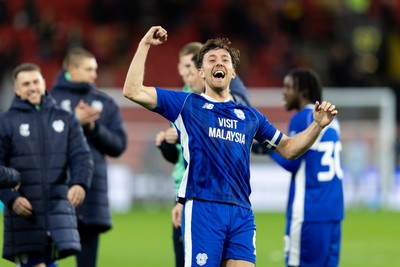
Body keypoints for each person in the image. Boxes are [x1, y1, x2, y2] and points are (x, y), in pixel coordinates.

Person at [123, 26, 338, 267]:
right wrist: (145, 44)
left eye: (225, 60)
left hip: (241, 212)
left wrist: (317, 126)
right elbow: (132, 90)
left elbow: (288, 148)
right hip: (203, 208)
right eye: (211, 59)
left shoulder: (250, 116)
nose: (219, 63)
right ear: (201, 72)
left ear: (233, 72)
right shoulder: (186, 104)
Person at [155, 42, 251, 267]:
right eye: (185, 68)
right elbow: (180, 156)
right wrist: (167, 145)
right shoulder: (184, 101)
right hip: (189, 192)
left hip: (212, 197)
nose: (189, 73)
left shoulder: (223, 101)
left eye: (192, 67)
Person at [0, 63, 93, 267]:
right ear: (17, 89)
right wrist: (11, 198)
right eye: (26, 84)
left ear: (44, 83)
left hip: (57, 212)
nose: (32, 87)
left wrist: (79, 183)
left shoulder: (66, 119)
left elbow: (82, 156)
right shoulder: (6, 122)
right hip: (24, 215)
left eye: (36, 81)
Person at [254, 68, 344, 267]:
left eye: (288, 87)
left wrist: (266, 148)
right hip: (334, 211)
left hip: (308, 211)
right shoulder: (331, 119)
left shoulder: (303, 117)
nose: (283, 92)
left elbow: (291, 161)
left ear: (302, 91)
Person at [50, 48, 127, 267]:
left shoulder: (106, 103)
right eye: (89, 69)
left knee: (87, 262)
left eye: (95, 69)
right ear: (71, 70)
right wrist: (74, 120)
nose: (94, 74)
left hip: (91, 193)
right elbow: (39, 139)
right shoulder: (50, 101)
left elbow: (118, 145)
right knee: (45, 257)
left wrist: (93, 127)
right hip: (54, 189)